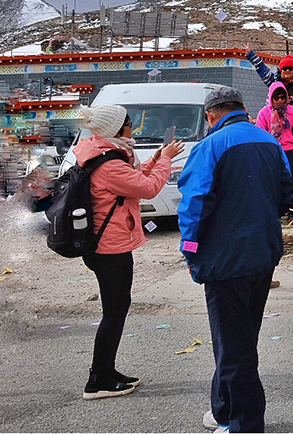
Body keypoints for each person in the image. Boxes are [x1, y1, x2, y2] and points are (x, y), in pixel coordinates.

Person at [178, 86, 293, 434]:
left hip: (224, 259)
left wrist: (191, 252)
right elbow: (286, 195)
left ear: (211, 115)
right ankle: (224, 408)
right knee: (241, 338)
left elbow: (194, 206)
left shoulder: (210, 146)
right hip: (263, 253)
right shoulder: (270, 143)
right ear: (242, 109)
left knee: (232, 345)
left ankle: (244, 424)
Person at [73, 104, 182, 400]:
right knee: (114, 311)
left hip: (110, 243)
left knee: (118, 307)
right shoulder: (108, 163)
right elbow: (147, 188)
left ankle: (107, 371)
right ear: (117, 129)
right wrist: (166, 162)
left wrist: (157, 158)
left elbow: (133, 180)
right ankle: (97, 380)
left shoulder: (106, 154)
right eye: (130, 122)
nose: (133, 127)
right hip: (108, 246)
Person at [244, 48, 293, 191]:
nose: (287, 72)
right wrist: (251, 55)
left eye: (290, 69)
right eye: (285, 69)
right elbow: (263, 70)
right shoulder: (274, 82)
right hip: (275, 124)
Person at [255, 83, 293, 227]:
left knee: (289, 182)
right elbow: (260, 134)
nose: (279, 100)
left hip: (290, 151)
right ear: (271, 98)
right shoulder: (264, 113)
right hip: (272, 151)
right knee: (271, 183)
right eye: (276, 97)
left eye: (282, 97)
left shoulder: (292, 111)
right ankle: (272, 213)